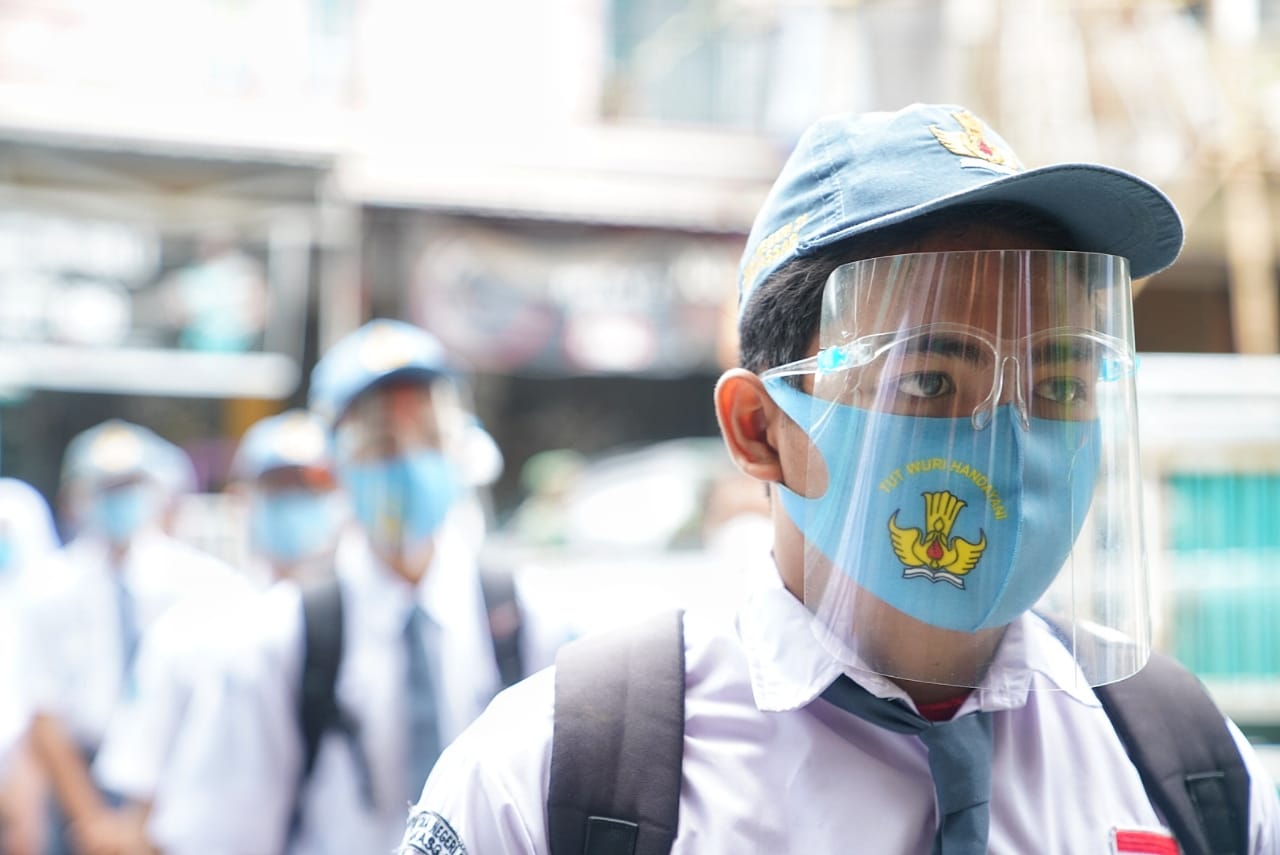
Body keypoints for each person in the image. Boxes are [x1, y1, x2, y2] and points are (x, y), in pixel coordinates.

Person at [399, 103, 1280, 853]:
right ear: (760, 429)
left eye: (1059, 383)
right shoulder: (556, 779)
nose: (1009, 435)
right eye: (929, 381)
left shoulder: (1187, 764)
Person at [145, 319, 531, 855]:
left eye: (429, 435)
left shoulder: (526, 618)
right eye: (380, 442)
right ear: (332, 466)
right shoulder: (275, 641)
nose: (408, 463)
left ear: (463, 448)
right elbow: (222, 832)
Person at [90, 409, 346, 852]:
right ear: (242, 500)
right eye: (277, 489)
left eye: (309, 488)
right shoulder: (193, 629)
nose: (294, 503)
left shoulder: (386, 628)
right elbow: (140, 799)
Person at [19, 420, 237, 855]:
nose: (119, 499)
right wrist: (94, 822)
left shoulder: (204, 584)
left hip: (176, 783)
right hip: (81, 787)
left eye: (130, 485)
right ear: (76, 498)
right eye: (106, 486)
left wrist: (143, 823)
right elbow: (44, 713)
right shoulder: (46, 588)